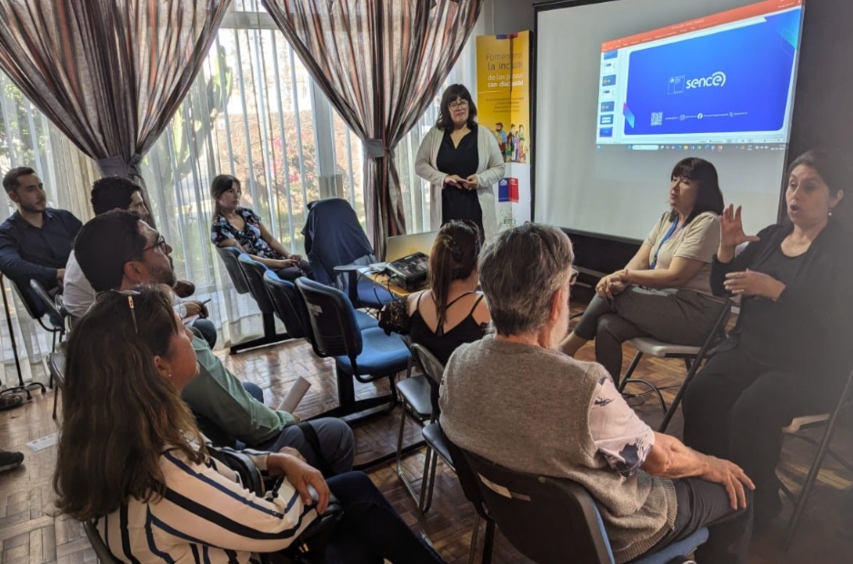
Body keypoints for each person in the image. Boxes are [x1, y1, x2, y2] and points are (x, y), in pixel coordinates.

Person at [53, 285, 444, 563]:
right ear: (159, 367)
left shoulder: (122, 439)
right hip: (258, 548)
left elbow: (211, 456)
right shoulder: (163, 475)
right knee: (360, 512)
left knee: (356, 493)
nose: (192, 336)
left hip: (232, 535)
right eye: (181, 330)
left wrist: (272, 463)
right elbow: (277, 527)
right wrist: (293, 464)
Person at [440, 223, 754, 564]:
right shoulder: (583, 386)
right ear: (558, 300)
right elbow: (660, 461)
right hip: (616, 534)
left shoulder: (459, 363)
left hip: (523, 527)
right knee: (740, 492)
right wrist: (714, 464)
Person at [74, 211, 354, 474]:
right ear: (133, 269)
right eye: (158, 244)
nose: (168, 250)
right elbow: (250, 424)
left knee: (251, 390)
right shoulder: (157, 330)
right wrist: (287, 421)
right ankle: (326, 507)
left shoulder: (99, 324)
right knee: (335, 433)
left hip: (163, 452)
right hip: (205, 465)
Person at [682, 149, 853, 531]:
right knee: (701, 392)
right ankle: (711, 487)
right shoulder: (774, 236)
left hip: (809, 366)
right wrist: (726, 250)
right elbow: (721, 285)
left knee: (751, 409)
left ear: (836, 197)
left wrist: (778, 291)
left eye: (810, 188)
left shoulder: (843, 252)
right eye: (793, 185)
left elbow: (839, 326)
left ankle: (756, 509)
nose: (796, 196)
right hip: (750, 349)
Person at [561, 157, 726, 383]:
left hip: (696, 314)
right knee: (607, 324)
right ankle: (608, 397)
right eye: (674, 179)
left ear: (703, 189)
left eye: (685, 181)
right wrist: (617, 279)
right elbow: (640, 260)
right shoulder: (668, 219)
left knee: (615, 297)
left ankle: (565, 349)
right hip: (666, 303)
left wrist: (623, 277)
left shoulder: (708, 222)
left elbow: (675, 276)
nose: (675, 186)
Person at [63, 176, 216, 348]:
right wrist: (181, 310)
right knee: (204, 331)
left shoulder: (94, 241)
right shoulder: (104, 256)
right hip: (116, 341)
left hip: (111, 332)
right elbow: (135, 318)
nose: (145, 211)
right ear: (118, 212)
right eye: (138, 205)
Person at [415, 84, 505, 242]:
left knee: (477, 257)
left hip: (476, 209)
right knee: (447, 255)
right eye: (453, 104)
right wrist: (444, 178)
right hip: (446, 208)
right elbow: (420, 165)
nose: (459, 107)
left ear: (469, 105)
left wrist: (480, 179)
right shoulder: (435, 134)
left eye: (463, 102)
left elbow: (499, 168)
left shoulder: (483, 134)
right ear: (446, 108)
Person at [406, 220, 490, 365]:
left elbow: (384, 313)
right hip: (469, 387)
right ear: (476, 263)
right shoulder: (485, 309)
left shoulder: (413, 302)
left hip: (434, 386)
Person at [0, 167, 82, 315]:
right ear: (14, 197)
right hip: (54, 299)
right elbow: (11, 265)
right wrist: (57, 273)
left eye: (41, 187)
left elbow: (91, 247)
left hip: (84, 282)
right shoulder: (6, 233)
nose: (40, 194)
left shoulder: (64, 218)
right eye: (31, 190)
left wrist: (75, 274)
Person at [210, 175, 311, 281]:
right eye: (231, 191)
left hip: (277, 260)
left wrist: (288, 255)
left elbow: (270, 240)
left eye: (238, 191)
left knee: (309, 267)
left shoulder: (246, 213)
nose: (236, 195)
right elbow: (245, 257)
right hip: (260, 270)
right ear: (217, 195)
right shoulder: (219, 227)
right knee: (299, 275)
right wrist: (279, 264)